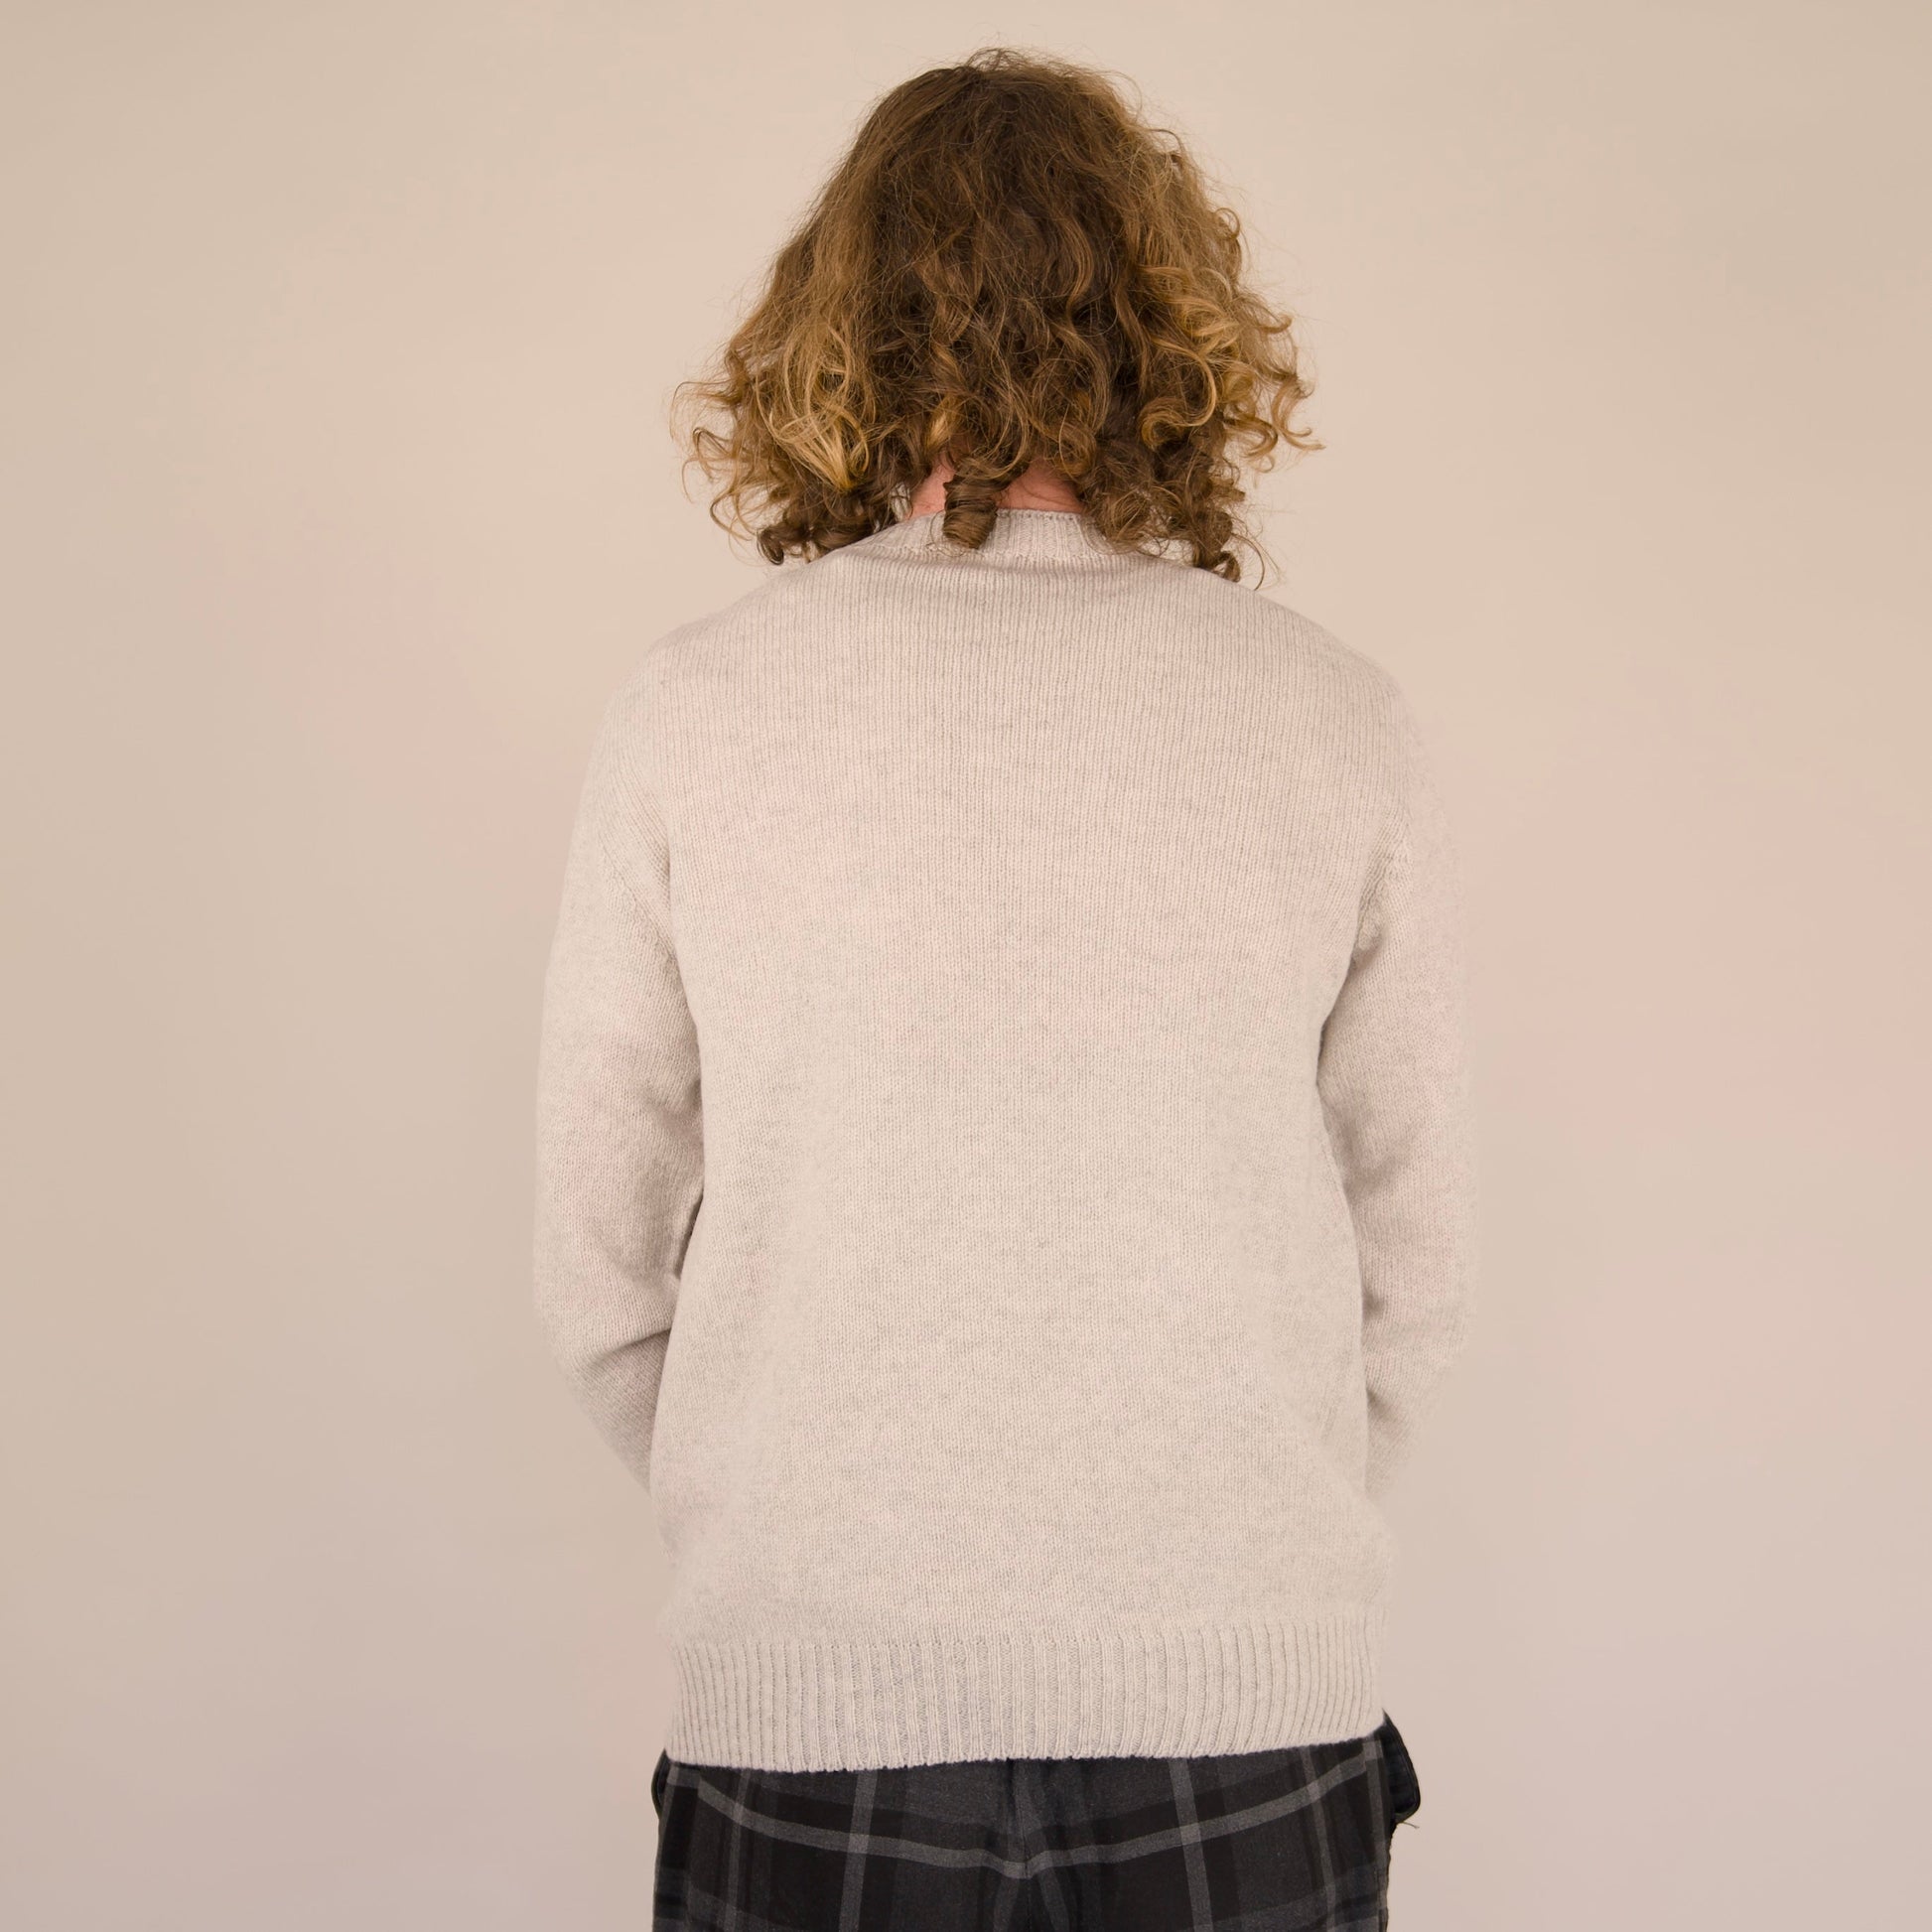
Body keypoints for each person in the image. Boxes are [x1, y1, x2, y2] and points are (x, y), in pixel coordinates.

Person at [533, 45, 1471, 1930]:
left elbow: (598, 1267)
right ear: (1162, 326)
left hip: (814, 1702)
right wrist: (1219, 1533)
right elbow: (1420, 1263)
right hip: (1243, 1708)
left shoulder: (694, 712)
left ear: (841, 327)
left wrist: (802, 1519)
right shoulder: (1328, 715)